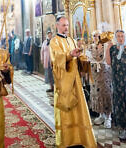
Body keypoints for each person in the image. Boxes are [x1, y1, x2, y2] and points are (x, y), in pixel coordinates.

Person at [50, 17, 97, 148]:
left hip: (75, 80)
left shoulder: (71, 40)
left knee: (79, 109)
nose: (66, 28)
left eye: (67, 25)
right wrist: (70, 54)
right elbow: (56, 59)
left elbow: (78, 57)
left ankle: (80, 137)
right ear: (57, 26)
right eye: (64, 25)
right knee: (66, 110)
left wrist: (84, 59)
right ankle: (67, 140)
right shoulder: (54, 41)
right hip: (64, 82)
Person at [87, 31, 112, 128]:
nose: (96, 37)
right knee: (97, 94)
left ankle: (108, 117)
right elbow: (89, 58)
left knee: (106, 93)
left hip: (104, 74)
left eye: (98, 36)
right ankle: (101, 115)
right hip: (94, 74)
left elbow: (105, 59)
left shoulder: (106, 46)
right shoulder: (90, 47)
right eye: (94, 36)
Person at [106, 30, 126, 140]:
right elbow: (108, 62)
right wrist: (108, 48)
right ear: (115, 38)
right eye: (118, 36)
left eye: (122, 36)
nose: (120, 38)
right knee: (119, 103)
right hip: (117, 81)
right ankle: (122, 129)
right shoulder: (113, 49)